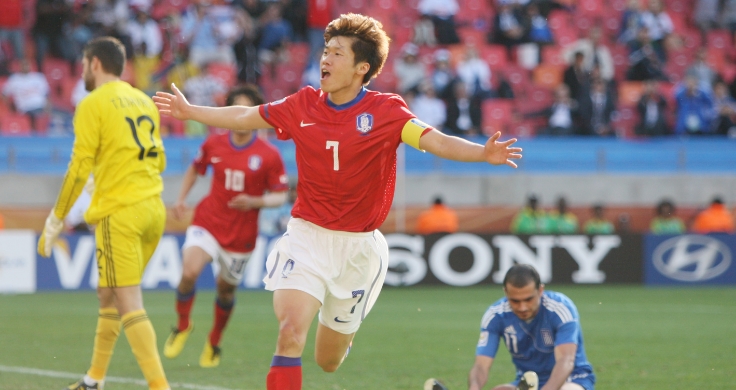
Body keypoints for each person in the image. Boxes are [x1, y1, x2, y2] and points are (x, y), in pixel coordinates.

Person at [154, 13, 522, 389]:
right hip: (306, 237)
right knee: (289, 333)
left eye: (337, 53)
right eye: (325, 51)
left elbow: (438, 141)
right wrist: (190, 111)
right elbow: (248, 115)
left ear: (362, 67)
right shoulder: (303, 104)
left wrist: (483, 153)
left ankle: (342, 335)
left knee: (327, 362)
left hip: (358, 251)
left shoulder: (387, 112)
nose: (325, 59)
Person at [37, 37, 170, 390]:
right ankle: (93, 380)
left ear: (94, 63)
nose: (81, 70)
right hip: (153, 210)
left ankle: (160, 386)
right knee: (108, 292)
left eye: (83, 63)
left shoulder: (92, 103)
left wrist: (56, 218)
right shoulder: (143, 100)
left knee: (128, 300)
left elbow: (79, 167)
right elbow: (159, 158)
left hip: (120, 213)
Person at [164, 85, 288, 368]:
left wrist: (255, 201)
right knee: (189, 271)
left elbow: (281, 195)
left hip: (241, 235)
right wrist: (181, 199)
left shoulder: (268, 155)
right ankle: (183, 325)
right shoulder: (214, 143)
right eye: (236, 109)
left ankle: (214, 340)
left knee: (225, 291)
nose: (240, 115)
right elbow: (196, 168)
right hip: (208, 220)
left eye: (246, 110)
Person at [468, 264, 596, 390]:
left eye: (529, 299)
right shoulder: (496, 315)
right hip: (527, 383)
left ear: (540, 291)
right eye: (515, 301)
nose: (522, 307)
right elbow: (481, 366)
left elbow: (566, 360)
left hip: (572, 379)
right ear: (505, 292)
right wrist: (474, 387)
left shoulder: (560, 309)